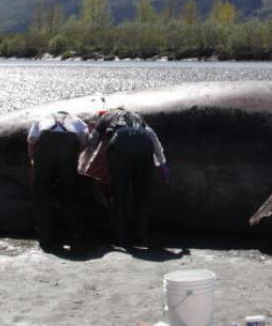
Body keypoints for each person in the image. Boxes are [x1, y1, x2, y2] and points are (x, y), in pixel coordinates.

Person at [89, 107, 167, 247]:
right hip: (144, 141)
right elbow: (152, 136)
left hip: (121, 142)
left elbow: (93, 139)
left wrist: (87, 160)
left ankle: (120, 238)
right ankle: (140, 237)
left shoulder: (107, 116)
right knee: (142, 194)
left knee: (119, 194)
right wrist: (162, 164)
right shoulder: (138, 117)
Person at [26, 110, 89, 250]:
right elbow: (85, 141)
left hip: (45, 148)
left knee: (41, 194)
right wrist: (72, 156)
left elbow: (31, 141)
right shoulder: (77, 121)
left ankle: (45, 238)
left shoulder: (42, 118)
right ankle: (75, 237)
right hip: (69, 147)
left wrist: (34, 163)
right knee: (69, 193)